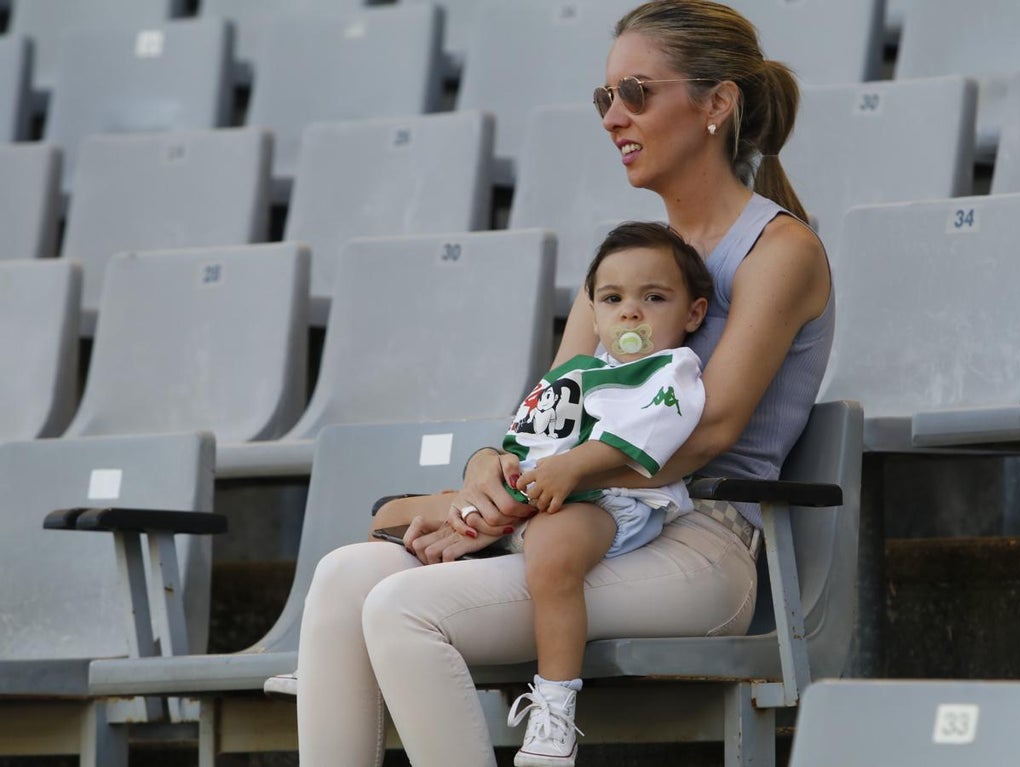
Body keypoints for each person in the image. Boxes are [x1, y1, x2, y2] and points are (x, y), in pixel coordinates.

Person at [293, 1, 834, 765]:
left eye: (635, 93)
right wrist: (489, 471)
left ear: (717, 103)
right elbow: (553, 412)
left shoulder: (780, 250)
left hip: (703, 541)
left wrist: (551, 481)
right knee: (344, 574)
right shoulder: (627, 263)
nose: (613, 116)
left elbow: (709, 430)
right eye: (605, 97)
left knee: (404, 606)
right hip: (579, 522)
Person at [369, 221, 711, 765]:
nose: (631, 313)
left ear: (693, 314)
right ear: (593, 315)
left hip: (611, 501)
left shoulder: (671, 371)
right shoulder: (580, 372)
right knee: (390, 516)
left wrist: (566, 470)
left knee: (552, 550)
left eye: (654, 298)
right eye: (613, 299)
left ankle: (554, 705)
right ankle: (361, 659)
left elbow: (645, 438)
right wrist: (499, 474)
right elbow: (531, 437)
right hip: (543, 492)